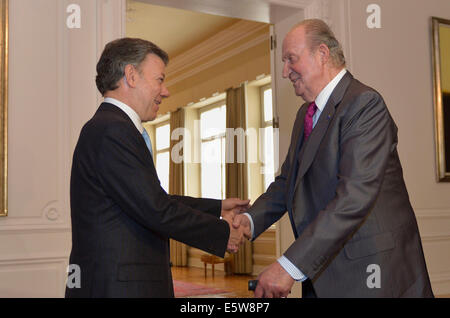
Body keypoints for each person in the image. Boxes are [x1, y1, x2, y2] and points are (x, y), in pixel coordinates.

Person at [233, 19, 434, 298]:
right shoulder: (305, 115)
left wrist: (289, 266)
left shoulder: (364, 104)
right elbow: (287, 183)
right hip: (322, 271)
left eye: (291, 59)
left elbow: (354, 196)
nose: (284, 71)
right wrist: (250, 221)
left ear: (322, 54)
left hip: (372, 274)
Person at [66, 38, 249, 298]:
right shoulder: (112, 130)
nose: (165, 91)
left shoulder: (114, 127)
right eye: (159, 79)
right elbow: (155, 208)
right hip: (118, 288)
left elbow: (150, 199)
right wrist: (222, 233)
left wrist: (217, 207)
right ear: (131, 75)